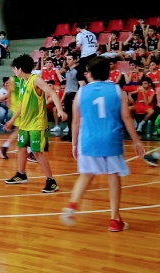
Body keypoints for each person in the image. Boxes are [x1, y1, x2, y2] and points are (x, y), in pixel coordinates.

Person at [59, 57, 146, 232]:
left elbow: (75, 121)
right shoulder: (117, 90)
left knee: (86, 175)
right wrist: (136, 140)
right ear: (108, 72)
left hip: (88, 140)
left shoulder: (81, 92)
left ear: (89, 73)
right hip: (111, 139)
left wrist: (74, 144)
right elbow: (126, 117)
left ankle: (72, 205)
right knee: (113, 175)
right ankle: (114, 219)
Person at [4, 54, 67, 193]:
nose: (14, 71)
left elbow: (52, 92)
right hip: (25, 123)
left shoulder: (36, 80)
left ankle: (51, 181)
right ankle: (21, 174)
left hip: (37, 124)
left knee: (37, 152)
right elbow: (22, 104)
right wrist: (12, 120)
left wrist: (60, 110)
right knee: (21, 148)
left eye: (14, 69)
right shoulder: (22, 82)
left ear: (20, 69)